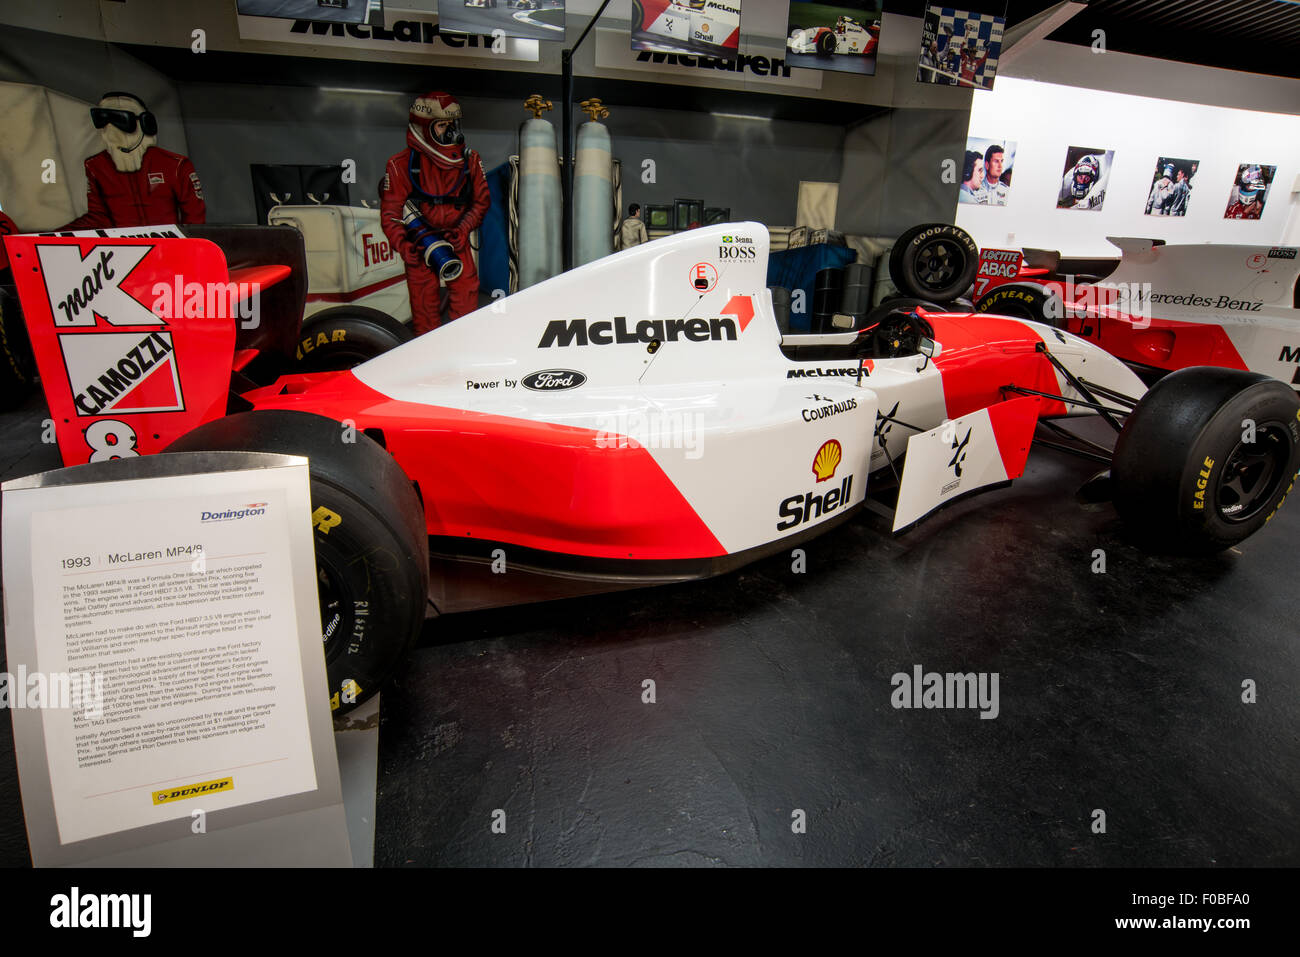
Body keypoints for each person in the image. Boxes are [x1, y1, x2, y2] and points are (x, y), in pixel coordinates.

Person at [380, 91, 491, 333]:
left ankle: (463, 354)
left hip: (456, 239)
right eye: (442, 126)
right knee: (424, 314)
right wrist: (403, 244)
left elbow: (481, 202)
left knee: (466, 311)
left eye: (453, 125)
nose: (451, 133)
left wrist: (463, 230)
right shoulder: (400, 165)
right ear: (423, 129)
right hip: (420, 245)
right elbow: (391, 213)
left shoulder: (470, 160)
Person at [62, 92, 205, 230]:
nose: (111, 131)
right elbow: (98, 218)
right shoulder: (96, 166)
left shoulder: (175, 165)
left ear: (145, 124)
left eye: (120, 121)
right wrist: (49, 237)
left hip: (167, 248)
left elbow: (195, 221)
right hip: (122, 251)